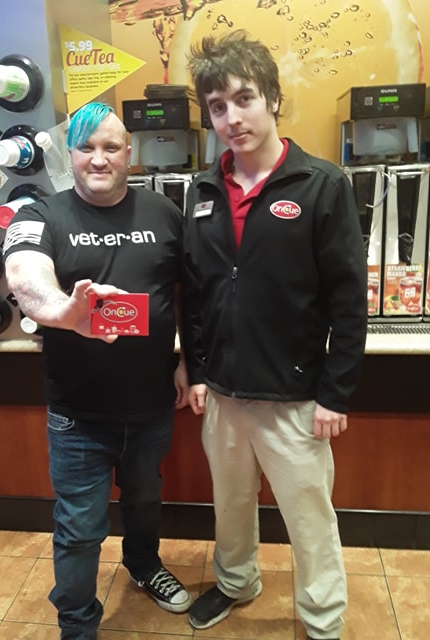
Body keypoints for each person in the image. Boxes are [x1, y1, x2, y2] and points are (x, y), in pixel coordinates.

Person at [182, 30, 368, 640]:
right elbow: (195, 291)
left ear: (273, 99)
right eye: (218, 107)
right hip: (223, 395)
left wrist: (336, 393)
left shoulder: (321, 185)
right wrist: (199, 371)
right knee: (230, 506)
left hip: (294, 398)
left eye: (244, 99)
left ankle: (323, 620)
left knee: (309, 518)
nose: (232, 118)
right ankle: (236, 583)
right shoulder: (202, 191)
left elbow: (348, 300)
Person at [3, 102, 191, 640]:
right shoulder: (40, 214)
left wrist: (187, 362)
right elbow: (24, 274)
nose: (99, 158)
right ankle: (78, 625)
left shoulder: (163, 212)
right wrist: (65, 312)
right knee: (81, 529)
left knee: (144, 501)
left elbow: (186, 293)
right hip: (78, 416)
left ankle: (144, 565)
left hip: (151, 403)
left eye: (111, 147)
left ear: (130, 153)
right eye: (86, 148)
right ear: (71, 154)